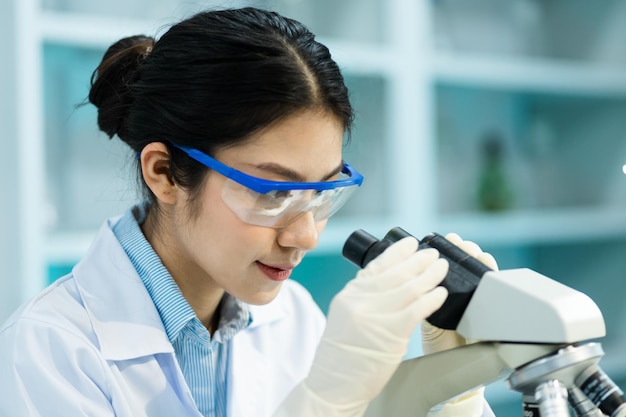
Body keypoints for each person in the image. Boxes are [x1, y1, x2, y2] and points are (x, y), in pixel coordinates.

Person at [0, 7, 497, 417]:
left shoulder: (293, 316)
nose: (303, 236)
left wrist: (449, 393)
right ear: (165, 173)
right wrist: (323, 403)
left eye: (324, 193)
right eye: (273, 193)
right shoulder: (50, 353)